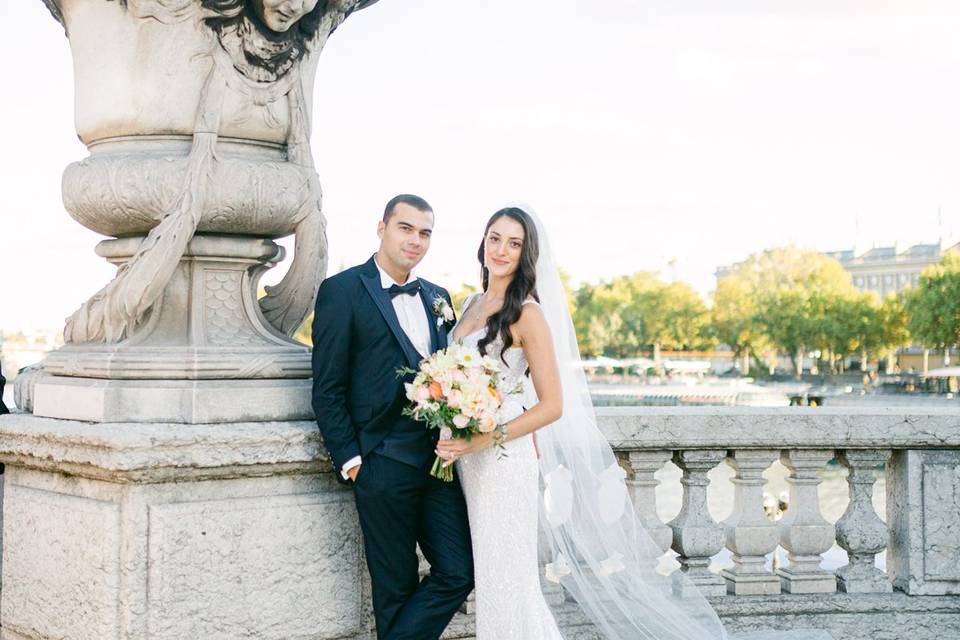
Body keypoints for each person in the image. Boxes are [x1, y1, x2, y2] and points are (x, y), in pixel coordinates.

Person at [436, 206, 830, 640]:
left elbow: (552, 406)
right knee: (491, 573)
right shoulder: (470, 304)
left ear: (528, 254)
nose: (502, 250)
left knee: (509, 578)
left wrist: (483, 440)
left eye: (515, 243)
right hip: (470, 462)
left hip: (502, 460)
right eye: (495, 238)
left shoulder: (528, 314)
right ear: (483, 241)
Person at [311, 194, 473, 640]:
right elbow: (327, 388)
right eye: (406, 228)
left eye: (424, 233)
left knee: (459, 572)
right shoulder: (342, 291)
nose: (415, 241)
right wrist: (352, 461)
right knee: (394, 588)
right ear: (381, 228)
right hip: (379, 463)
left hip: (438, 466)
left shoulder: (438, 298)